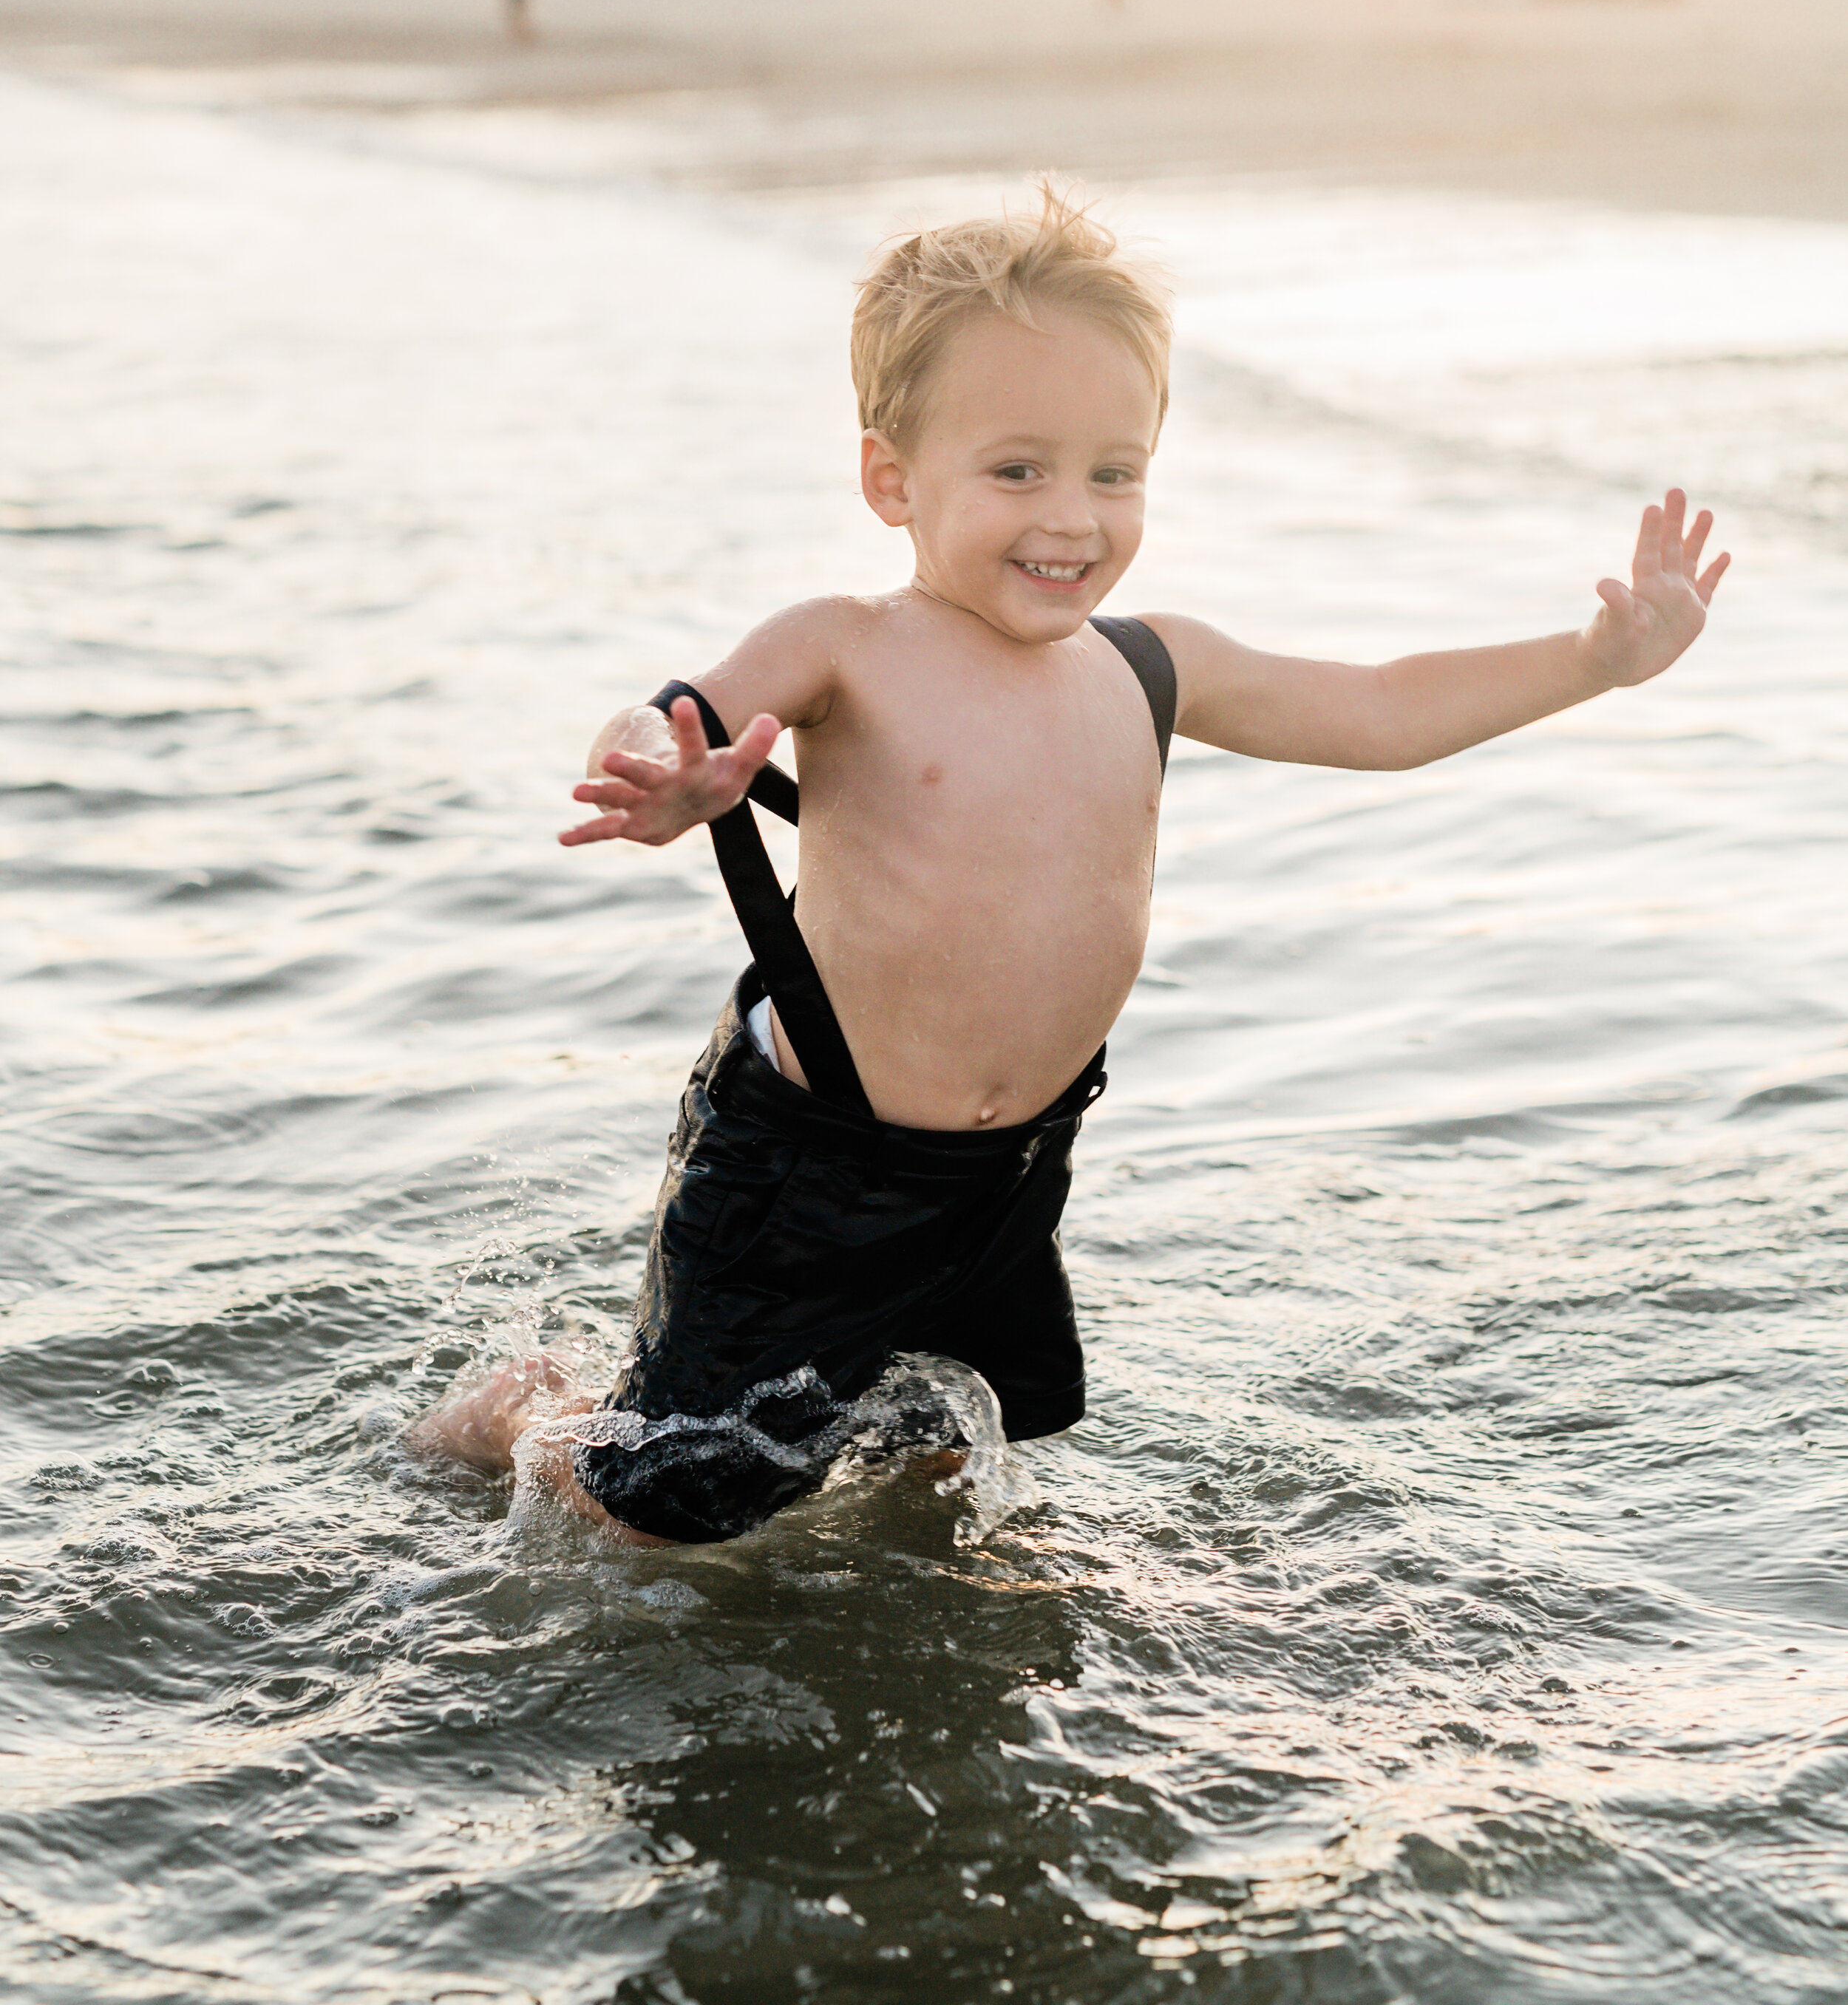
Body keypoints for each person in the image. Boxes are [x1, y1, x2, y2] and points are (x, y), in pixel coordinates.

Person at [410, 187, 1728, 1544]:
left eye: (1116, 471)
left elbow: (1383, 709)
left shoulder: (1151, 666)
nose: (1074, 517)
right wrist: (665, 776)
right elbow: (671, 711)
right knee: (670, 1512)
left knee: (934, 1469)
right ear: (891, 481)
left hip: (1009, 1176)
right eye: (1018, 470)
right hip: (812, 1172)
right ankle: (528, 1410)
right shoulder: (848, 645)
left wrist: (1592, 663)